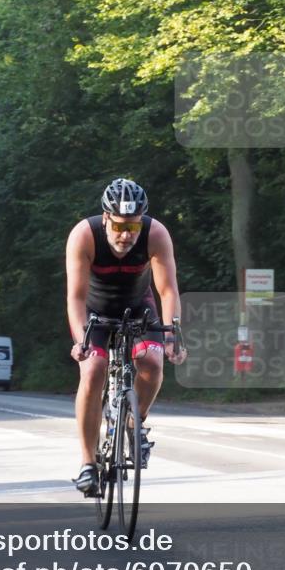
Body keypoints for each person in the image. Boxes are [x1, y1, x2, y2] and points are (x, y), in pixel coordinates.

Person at [66, 178, 187, 495]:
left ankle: (135, 424)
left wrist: (173, 333)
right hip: (95, 310)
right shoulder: (85, 235)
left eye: (132, 228)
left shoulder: (156, 233)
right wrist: (81, 340)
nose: (125, 235)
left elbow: (167, 289)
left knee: (153, 361)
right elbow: (76, 297)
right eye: (119, 226)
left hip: (138, 306)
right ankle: (87, 463)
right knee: (92, 370)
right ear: (106, 218)